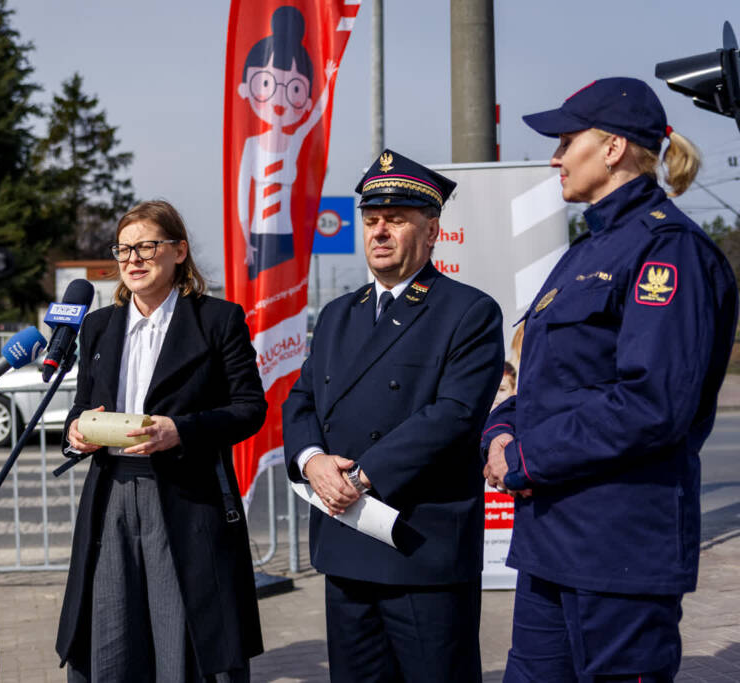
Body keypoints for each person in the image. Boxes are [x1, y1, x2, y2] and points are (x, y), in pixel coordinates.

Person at [482, 77, 738, 682]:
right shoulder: (583, 254)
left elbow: (652, 403)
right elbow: (542, 377)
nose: (554, 157)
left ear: (614, 147)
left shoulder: (668, 251)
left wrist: (525, 458)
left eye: (567, 140)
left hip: (619, 549)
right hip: (550, 541)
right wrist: (499, 429)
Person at [282, 150, 506, 682]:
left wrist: (359, 477)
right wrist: (314, 462)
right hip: (345, 539)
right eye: (372, 220)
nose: (380, 232)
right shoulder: (339, 313)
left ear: (431, 232)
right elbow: (302, 401)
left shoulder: (467, 311)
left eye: (397, 220)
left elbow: (452, 415)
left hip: (418, 545)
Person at [56, 200, 267, 682]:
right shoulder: (98, 327)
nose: (133, 258)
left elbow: (250, 408)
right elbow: (81, 405)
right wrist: (75, 432)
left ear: (179, 251)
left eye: (147, 245)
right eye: (124, 248)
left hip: (185, 499)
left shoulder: (217, 320)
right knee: (110, 635)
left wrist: (181, 431)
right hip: (110, 496)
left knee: (184, 640)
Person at [235, 5, 337, 278]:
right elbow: (242, 198)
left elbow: (317, 114)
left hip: (286, 235)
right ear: (245, 87)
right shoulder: (252, 145)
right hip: (258, 236)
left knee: (287, 295)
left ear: (303, 101)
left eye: (294, 90)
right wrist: (246, 242)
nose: (280, 100)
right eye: (266, 84)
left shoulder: (293, 141)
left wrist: (327, 80)